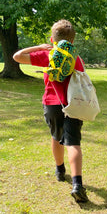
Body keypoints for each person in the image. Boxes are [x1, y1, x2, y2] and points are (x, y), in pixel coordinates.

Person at [13, 19, 88, 202]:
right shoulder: (76, 58)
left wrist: (39, 46)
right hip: (73, 104)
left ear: (52, 38)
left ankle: (60, 170)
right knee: (73, 142)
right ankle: (77, 184)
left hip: (52, 103)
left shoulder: (48, 54)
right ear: (72, 41)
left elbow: (17, 56)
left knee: (56, 137)